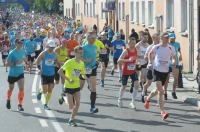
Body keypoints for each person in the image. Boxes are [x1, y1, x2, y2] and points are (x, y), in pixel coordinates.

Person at [144, 32, 176, 120]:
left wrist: (173, 62)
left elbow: (173, 57)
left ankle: (148, 98)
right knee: (161, 91)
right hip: (157, 70)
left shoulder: (171, 48)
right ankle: (162, 112)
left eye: (168, 38)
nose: (167, 39)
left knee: (157, 90)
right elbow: (150, 53)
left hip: (165, 71)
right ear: (161, 39)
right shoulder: (156, 47)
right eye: (165, 38)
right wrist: (150, 62)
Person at [58, 46, 86, 127]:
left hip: (77, 86)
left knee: (77, 104)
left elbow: (82, 74)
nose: (81, 54)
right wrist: (68, 79)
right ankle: (63, 97)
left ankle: (71, 119)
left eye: (82, 53)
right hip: (68, 86)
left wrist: (86, 78)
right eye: (80, 53)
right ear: (75, 53)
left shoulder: (82, 63)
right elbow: (60, 71)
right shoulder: (69, 62)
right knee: (71, 106)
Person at [36, 40, 59, 110]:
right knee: (45, 91)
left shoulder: (55, 54)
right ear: (47, 46)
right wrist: (39, 69)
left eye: (53, 47)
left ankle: (45, 104)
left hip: (51, 74)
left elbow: (57, 62)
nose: (52, 49)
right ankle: (40, 92)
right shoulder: (43, 53)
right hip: (44, 74)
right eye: (50, 47)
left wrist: (56, 64)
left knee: (50, 90)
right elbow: (37, 61)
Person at [117, 37, 139, 109]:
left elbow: (136, 58)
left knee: (137, 84)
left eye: (135, 43)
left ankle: (132, 101)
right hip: (125, 71)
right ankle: (120, 99)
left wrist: (137, 62)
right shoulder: (126, 51)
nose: (134, 44)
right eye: (133, 43)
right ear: (129, 43)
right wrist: (128, 60)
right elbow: (119, 61)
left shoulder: (136, 50)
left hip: (133, 71)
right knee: (124, 86)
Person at [80, 31, 99, 114]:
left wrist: (96, 61)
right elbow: (79, 57)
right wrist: (85, 60)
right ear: (87, 38)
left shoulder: (95, 47)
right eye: (92, 37)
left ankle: (92, 107)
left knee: (93, 88)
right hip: (84, 69)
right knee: (80, 87)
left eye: (95, 37)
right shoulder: (83, 47)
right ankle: (71, 97)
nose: (94, 39)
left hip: (93, 68)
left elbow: (94, 56)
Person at [6, 39, 26, 111]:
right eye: (19, 43)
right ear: (15, 44)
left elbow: (24, 59)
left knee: (21, 88)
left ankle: (19, 105)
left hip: (20, 73)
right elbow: (7, 64)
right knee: (11, 89)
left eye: (21, 43)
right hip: (12, 74)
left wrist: (25, 63)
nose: (21, 44)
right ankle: (8, 99)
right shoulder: (12, 53)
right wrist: (15, 63)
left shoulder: (23, 51)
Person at [141, 33, 160, 103]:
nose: (158, 40)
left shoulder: (160, 47)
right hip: (150, 68)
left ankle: (159, 101)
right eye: (157, 39)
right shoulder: (150, 47)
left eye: (159, 39)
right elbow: (145, 56)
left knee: (159, 84)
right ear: (153, 39)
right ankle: (143, 91)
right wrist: (150, 62)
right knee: (148, 83)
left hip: (158, 69)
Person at [164, 33, 182, 100]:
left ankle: (173, 91)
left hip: (175, 63)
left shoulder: (177, 44)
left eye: (173, 38)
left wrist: (180, 56)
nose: (172, 39)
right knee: (166, 79)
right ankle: (165, 92)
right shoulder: (166, 44)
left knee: (176, 78)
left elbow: (179, 51)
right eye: (171, 38)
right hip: (168, 64)